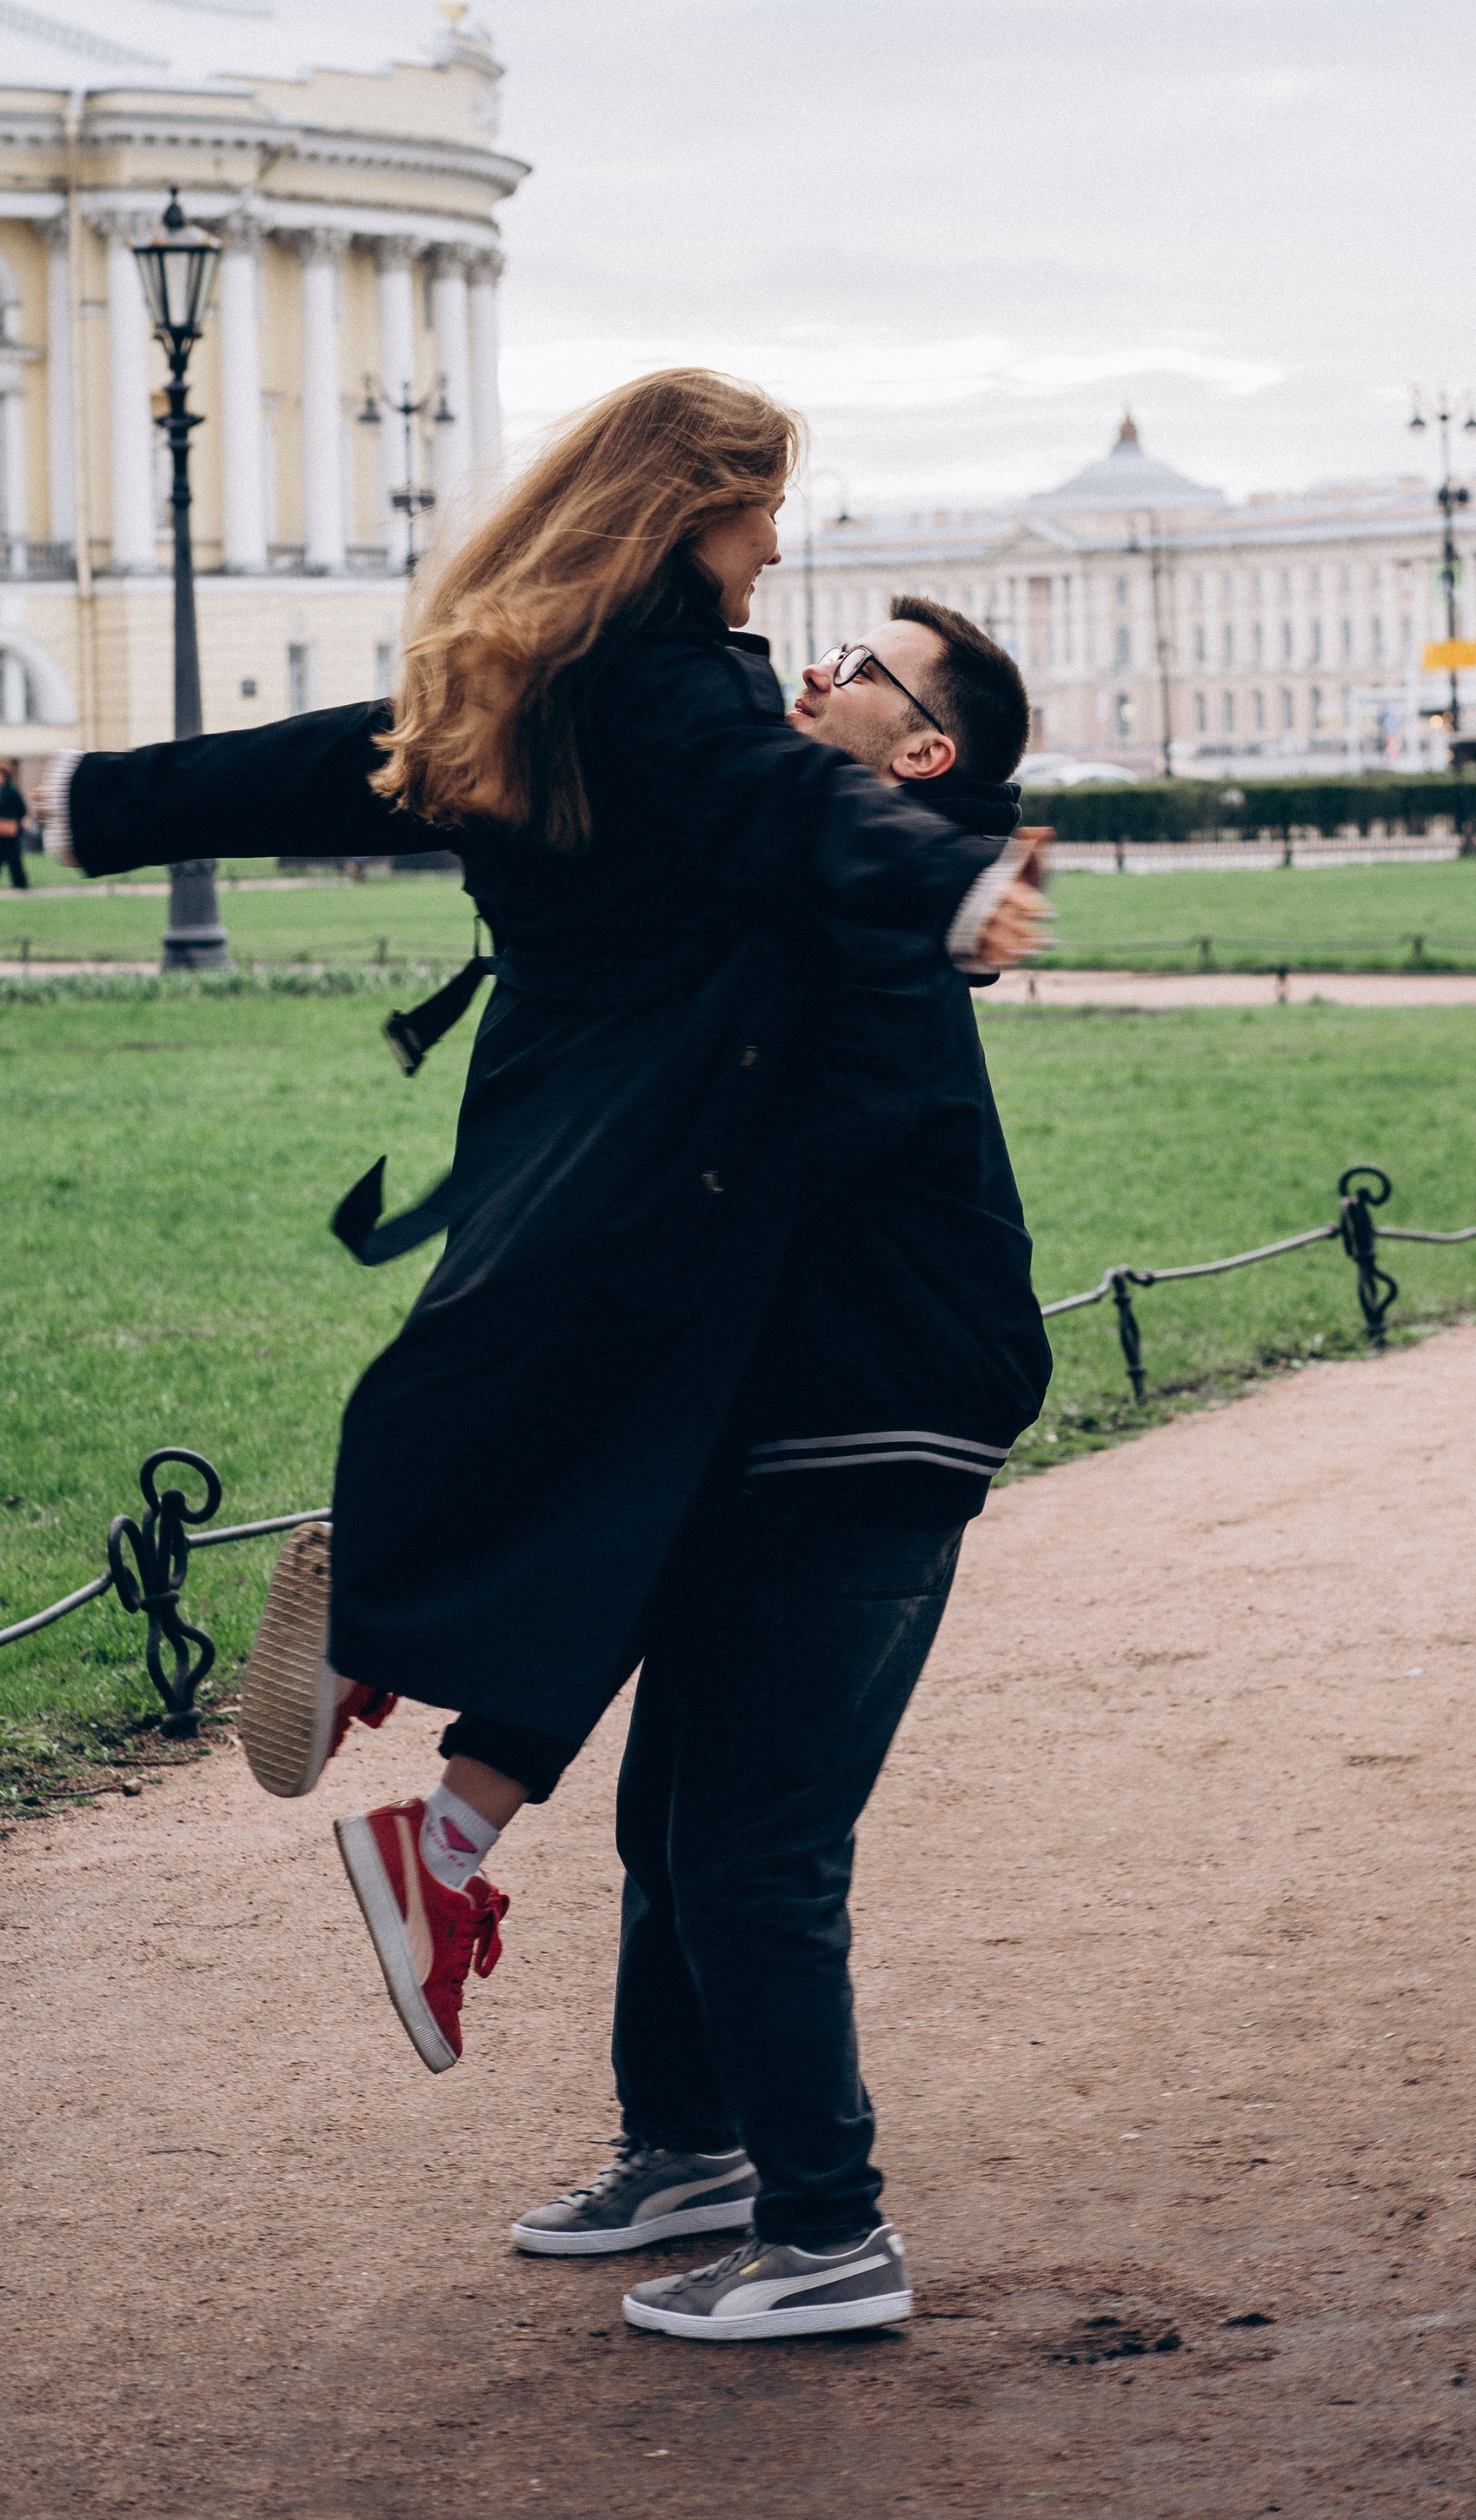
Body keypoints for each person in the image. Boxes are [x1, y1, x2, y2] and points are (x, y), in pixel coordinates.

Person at [38, 374, 1047, 2142]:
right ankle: (426, 1741)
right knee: (665, 1607)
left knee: (619, 1518)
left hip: (625, 1210)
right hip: (702, 1237)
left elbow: (353, 760)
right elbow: (783, 808)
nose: (780, 559)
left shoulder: (555, 698)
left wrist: (92, 802)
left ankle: (418, 1707)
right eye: (762, 514)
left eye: (861, 664)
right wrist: (947, 891)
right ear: (689, 511)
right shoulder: (677, 705)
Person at [514, 595, 1052, 2344]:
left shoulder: (864, 896)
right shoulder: (823, 868)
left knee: (754, 1844)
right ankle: (690, 2149)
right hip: (782, 1424)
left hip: (871, 1419)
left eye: (860, 669)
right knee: (673, 1820)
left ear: (922, 752)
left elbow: (811, 1148)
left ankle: (828, 2234)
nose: (810, 672)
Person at [0, 761, 29, 890]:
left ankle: (20, 884)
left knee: (14, 859)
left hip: (10, 829)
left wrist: (19, 824)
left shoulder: (11, 790)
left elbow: (22, 809)